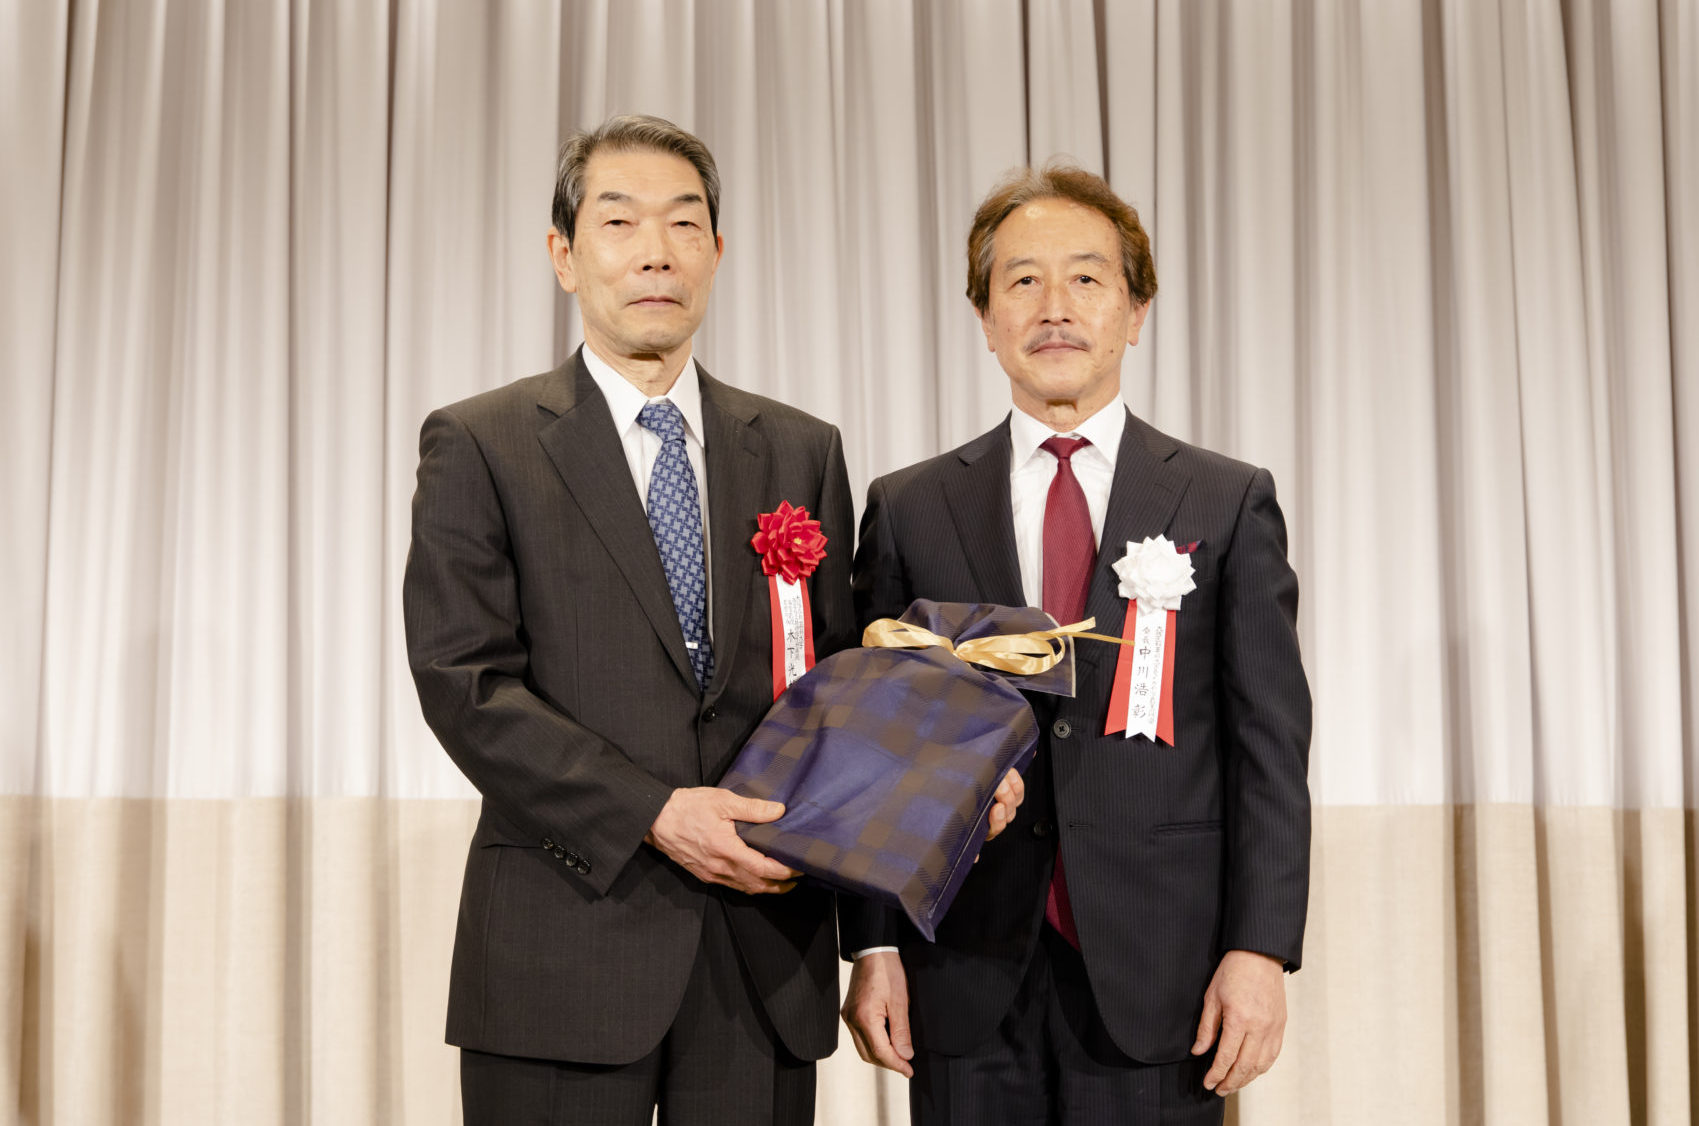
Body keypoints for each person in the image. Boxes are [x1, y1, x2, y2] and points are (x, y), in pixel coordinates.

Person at [403, 113, 860, 1125]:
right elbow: (464, 682)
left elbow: (837, 683)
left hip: (763, 952)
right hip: (564, 943)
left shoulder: (800, 449)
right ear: (564, 255)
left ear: (716, 252)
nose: (657, 251)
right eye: (619, 222)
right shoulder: (482, 443)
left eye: (683, 223)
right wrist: (653, 810)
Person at [839, 163, 1312, 1125]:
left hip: (1162, 972)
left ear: (1136, 312)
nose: (1053, 306)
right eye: (1022, 280)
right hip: (958, 963)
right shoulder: (911, 506)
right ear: (984, 317)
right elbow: (872, 748)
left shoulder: (1223, 500)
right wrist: (873, 945)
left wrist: (1259, 950)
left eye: (1086, 278)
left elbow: (1268, 744)